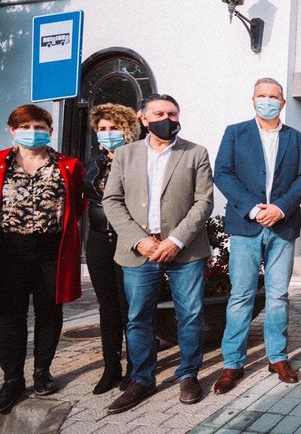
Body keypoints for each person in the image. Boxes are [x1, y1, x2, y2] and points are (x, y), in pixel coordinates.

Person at [103, 94, 214, 413]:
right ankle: (142, 379)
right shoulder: (125, 154)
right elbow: (112, 200)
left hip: (184, 249)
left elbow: (203, 201)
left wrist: (176, 240)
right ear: (143, 119)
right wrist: (139, 240)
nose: (168, 118)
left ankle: (189, 374)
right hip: (140, 250)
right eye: (160, 113)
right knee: (138, 316)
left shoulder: (196, 153)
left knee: (190, 314)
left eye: (173, 113)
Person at [212, 78, 301, 394]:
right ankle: (232, 363)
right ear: (252, 99)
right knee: (241, 295)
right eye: (261, 96)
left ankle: (278, 357)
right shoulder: (235, 133)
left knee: (279, 294)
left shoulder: (296, 139)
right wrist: (253, 209)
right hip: (246, 225)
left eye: (273, 97)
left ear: (282, 103)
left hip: (282, 225)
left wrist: (280, 208)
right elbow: (223, 173)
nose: (267, 100)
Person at [0, 104, 85, 414]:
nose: (33, 132)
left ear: (50, 131)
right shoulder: (1, 162)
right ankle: (11, 379)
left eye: (39, 127)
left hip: (52, 251)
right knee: (10, 315)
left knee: (50, 310)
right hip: (9, 251)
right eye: (25, 127)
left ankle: (42, 373)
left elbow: (78, 205)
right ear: (12, 129)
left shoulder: (68, 165)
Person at [84, 103, 141, 394]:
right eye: (103, 129)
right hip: (97, 239)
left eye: (114, 128)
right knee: (107, 306)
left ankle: (136, 366)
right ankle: (111, 366)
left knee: (129, 305)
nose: (107, 134)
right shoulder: (93, 162)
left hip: (128, 240)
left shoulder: (138, 159)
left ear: (127, 130)